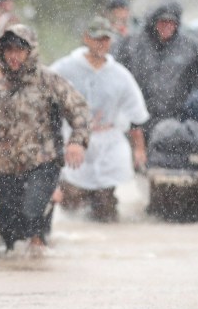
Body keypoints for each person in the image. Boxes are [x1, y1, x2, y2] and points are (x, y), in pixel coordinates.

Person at [0, 24, 91, 253]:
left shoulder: (50, 81)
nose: (14, 56)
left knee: (31, 215)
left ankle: (40, 259)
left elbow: (79, 110)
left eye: (19, 49)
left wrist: (77, 141)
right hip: (6, 170)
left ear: (31, 51)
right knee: (10, 237)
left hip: (43, 164)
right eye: (8, 50)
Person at [50, 16, 149, 222]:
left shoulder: (120, 75)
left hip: (108, 142)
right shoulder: (65, 68)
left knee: (105, 204)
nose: (102, 44)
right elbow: (42, 98)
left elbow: (136, 114)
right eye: (97, 39)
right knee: (72, 200)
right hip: (74, 141)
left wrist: (139, 148)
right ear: (86, 38)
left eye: (106, 39)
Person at [114, 0, 198, 130]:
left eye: (171, 23)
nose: (167, 26)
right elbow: (118, 74)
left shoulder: (190, 46)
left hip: (175, 120)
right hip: (140, 118)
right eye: (163, 22)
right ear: (154, 23)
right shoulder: (133, 45)